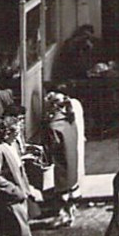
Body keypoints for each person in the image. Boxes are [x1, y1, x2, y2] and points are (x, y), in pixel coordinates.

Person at [41, 93, 81, 227]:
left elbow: (54, 146)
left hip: (61, 161)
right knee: (71, 185)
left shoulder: (53, 126)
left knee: (61, 188)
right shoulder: (70, 119)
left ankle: (62, 215)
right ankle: (71, 213)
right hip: (71, 158)